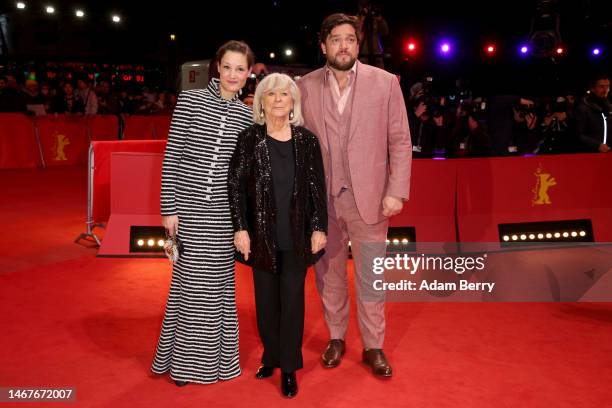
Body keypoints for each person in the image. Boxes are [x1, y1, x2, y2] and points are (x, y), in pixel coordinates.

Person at [298, 13, 412, 378]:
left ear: (357, 43)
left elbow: (400, 140)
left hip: (372, 199)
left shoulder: (385, 83)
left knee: (371, 276)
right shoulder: (304, 85)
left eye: (349, 38)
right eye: (335, 39)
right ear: (323, 45)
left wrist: (397, 191)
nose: (343, 45)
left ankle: (374, 344)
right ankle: (336, 336)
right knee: (327, 274)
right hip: (322, 201)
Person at [151, 40, 254, 386]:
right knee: (192, 286)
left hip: (224, 217)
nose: (232, 75)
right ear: (217, 67)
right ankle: (185, 366)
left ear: (248, 73)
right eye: (227, 67)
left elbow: (241, 175)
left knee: (218, 288)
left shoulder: (247, 116)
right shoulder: (191, 100)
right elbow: (171, 158)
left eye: (240, 69)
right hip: (190, 210)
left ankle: (219, 362)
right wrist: (169, 208)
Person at [228, 73, 328, 398]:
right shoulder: (248, 139)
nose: (278, 100)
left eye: (284, 94)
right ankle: (271, 355)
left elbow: (316, 189)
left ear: (293, 101)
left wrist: (319, 227)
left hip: (297, 236)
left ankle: (288, 367)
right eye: (271, 95)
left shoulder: (307, 141)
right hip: (261, 238)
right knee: (266, 304)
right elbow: (236, 188)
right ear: (261, 101)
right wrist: (240, 228)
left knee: (293, 303)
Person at [575, 74, 611, 153]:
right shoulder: (583, 108)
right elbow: (577, 134)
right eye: (601, 86)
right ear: (592, 88)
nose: (605, 90)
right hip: (590, 155)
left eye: (607, 86)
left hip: (608, 154)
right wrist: (597, 145)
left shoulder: (608, 107)